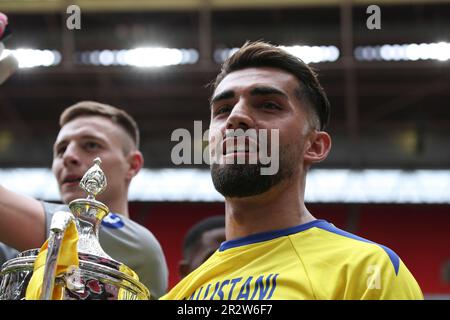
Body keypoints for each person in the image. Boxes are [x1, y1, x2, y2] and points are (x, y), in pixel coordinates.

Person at [161, 41, 423, 300]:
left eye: (269, 105)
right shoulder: (180, 296)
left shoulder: (367, 272)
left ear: (315, 146)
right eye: (223, 110)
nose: (235, 117)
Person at [0, 101, 168, 298]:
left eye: (91, 145)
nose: (69, 156)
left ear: (132, 165)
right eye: (61, 149)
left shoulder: (137, 243)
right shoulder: (11, 246)